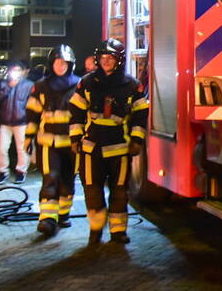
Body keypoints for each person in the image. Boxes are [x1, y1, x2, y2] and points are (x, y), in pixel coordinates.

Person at [69, 39, 148, 245]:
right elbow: (75, 112)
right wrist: (75, 138)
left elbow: (140, 115)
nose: (106, 62)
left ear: (118, 60)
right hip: (91, 148)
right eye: (103, 58)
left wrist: (137, 140)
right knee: (92, 190)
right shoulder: (86, 83)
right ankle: (95, 229)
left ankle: (118, 231)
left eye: (110, 58)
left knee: (120, 191)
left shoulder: (131, 85)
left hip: (119, 149)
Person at [25, 46, 81, 238]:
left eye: (64, 62)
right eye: (57, 62)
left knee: (68, 181)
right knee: (50, 178)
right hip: (49, 143)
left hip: (72, 143)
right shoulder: (41, 85)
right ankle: (47, 218)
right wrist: (28, 138)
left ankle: (63, 214)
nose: (61, 66)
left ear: (71, 64)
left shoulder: (79, 85)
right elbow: (32, 113)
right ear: (51, 64)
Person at [0, 61, 34, 185]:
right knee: (1, 148)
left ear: (23, 71)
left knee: (22, 148)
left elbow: (32, 103)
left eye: (18, 70)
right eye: (13, 70)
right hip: (5, 121)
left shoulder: (29, 85)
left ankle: (21, 172)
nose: (16, 72)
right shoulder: (4, 84)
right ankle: (2, 172)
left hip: (21, 121)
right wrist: (9, 86)